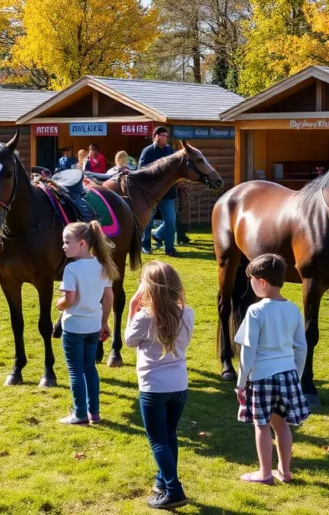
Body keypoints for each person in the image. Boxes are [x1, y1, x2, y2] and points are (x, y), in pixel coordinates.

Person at [234, 254, 309, 486]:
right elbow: (302, 347)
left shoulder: (256, 311)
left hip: (262, 376)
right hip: (288, 374)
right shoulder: (294, 309)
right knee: (282, 424)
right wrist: (296, 374)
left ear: (262, 281)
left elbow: (248, 351)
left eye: (252, 280)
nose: (251, 284)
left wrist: (241, 381)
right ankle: (285, 472)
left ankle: (264, 473)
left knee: (262, 424)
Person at [125, 260, 194, 510]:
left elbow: (130, 341)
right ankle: (163, 481)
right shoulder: (187, 313)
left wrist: (132, 308)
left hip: (153, 387)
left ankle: (174, 489)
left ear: (148, 288)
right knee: (169, 435)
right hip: (179, 386)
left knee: (158, 440)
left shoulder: (145, 316)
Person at [55, 221, 118, 425]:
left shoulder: (71, 269)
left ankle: (80, 413)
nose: (63, 246)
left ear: (82, 244)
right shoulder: (102, 266)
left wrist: (59, 303)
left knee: (75, 371)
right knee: (90, 368)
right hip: (93, 327)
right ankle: (95, 412)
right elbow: (108, 297)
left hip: (73, 327)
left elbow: (69, 300)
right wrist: (105, 321)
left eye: (66, 242)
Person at [140, 127, 179, 257]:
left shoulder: (169, 150)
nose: (165, 138)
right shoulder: (147, 151)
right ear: (155, 136)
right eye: (163, 135)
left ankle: (169, 248)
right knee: (148, 221)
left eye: (166, 136)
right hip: (152, 194)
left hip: (168, 193)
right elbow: (142, 169)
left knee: (170, 220)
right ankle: (145, 245)